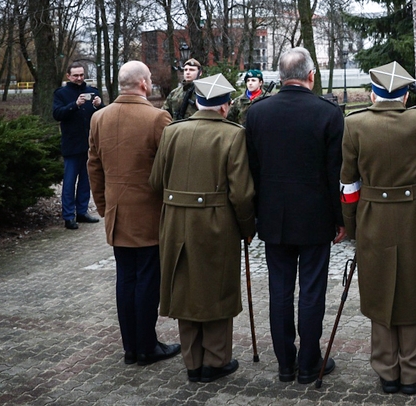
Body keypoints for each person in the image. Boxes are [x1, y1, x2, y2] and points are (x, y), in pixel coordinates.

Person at [340, 61, 416, 395]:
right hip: (415, 215)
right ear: (406, 95)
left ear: (373, 93)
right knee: (412, 288)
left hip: (372, 215)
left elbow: (348, 184)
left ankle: (387, 371)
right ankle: (414, 370)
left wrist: (352, 226)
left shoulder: (355, 124)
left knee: (378, 288)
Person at [244, 47, 345, 384]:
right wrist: (341, 218)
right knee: (312, 291)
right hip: (315, 217)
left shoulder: (258, 112)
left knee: (280, 290)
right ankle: (308, 363)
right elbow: (335, 173)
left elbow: (252, 170)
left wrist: (256, 212)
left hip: (273, 215)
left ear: (278, 76)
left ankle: (285, 363)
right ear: (311, 76)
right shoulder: (328, 113)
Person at [149, 73, 256, 383]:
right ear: (225, 106)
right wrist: (247, 228)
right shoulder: (233, 135)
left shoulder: (172, 131)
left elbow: (156, 181)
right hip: (216, 222)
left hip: (175, 222)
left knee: (184, 288)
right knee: (217, 289)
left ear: (197, 102)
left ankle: (193, 362)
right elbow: (242, 193)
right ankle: (217, 360)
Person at [87, 61, 179, 366]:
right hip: (150, 215)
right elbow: (171, 168)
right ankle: (146, 347)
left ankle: (131, 347)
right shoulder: (157, 118)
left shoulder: (99, 118)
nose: (151, 83)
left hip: (117, 214)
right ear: (142, 84)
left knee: (125, 280)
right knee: (147, 281)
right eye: (150, 79)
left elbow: (94, 167)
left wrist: (103, 206)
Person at [52, 62, 103, 230]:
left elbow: (102, 116)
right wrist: (75, 105)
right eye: (75, 75)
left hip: (89, 144)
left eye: (81, 75)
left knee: (86, 181)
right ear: (68, 76)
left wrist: (99, 106)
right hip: (71, 145)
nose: (79, 78)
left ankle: (82, 212)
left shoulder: (93, 92)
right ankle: (68, 216)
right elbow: (57, 114)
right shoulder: (61, 94)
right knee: (69, 182)